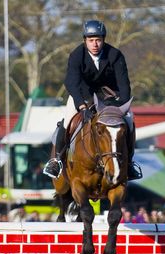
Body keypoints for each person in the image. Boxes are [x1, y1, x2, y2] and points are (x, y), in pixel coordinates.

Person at [43, 19, 142, 180]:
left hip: (110, 98)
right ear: (85, 41)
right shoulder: (77, 55)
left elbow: (124, 85)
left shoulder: (115, 55)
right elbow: (71, 83)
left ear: (103, 40)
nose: (95, 44)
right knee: (67, 121)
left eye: (98, 40)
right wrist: (82, 106)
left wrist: (119, 106)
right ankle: (57, 160)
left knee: (129, 120)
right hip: (82, 96)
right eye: (91, 40)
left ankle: (129, 162)